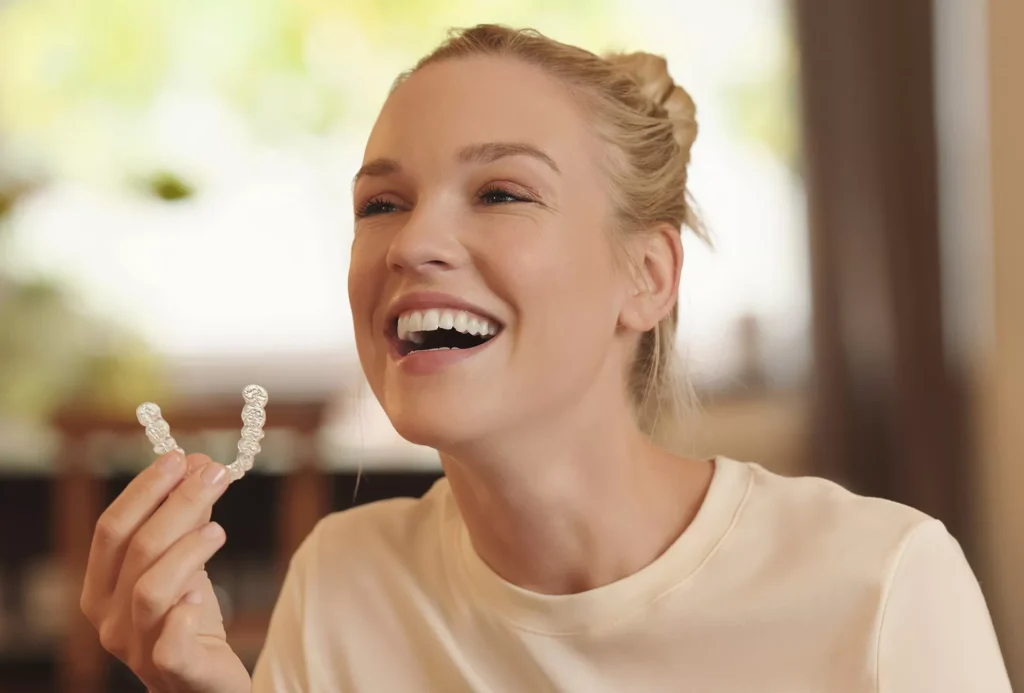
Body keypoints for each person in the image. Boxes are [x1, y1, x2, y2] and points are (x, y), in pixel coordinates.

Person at [80, 24, 1012, 693]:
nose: (413, 244)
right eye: (381, 204)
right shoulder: (344, 581)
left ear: (647, 277)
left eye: (500, 192)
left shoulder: (884, 582)